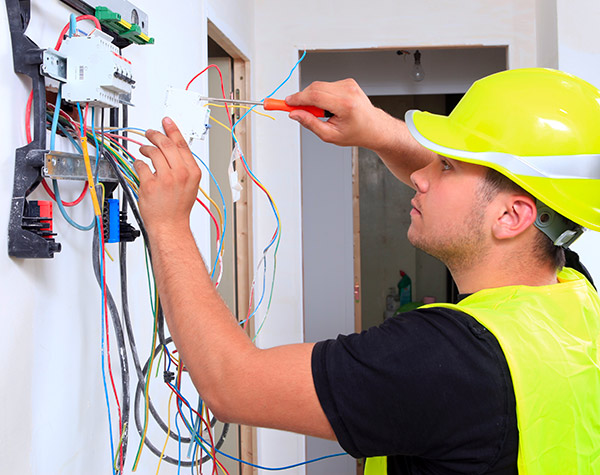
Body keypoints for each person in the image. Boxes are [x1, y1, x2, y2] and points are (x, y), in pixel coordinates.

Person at [134, 68, 600, 474]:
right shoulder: (572, 296)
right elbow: (494, 194)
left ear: (512, 218)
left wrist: (170, 222)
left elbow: (231, 382)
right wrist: (375, 128)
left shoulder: (449, 359)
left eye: (448, 164)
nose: (421, 175)